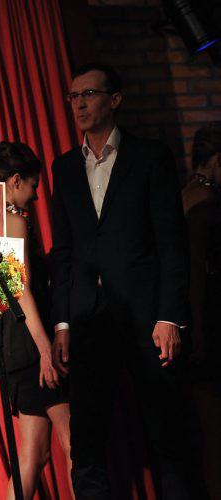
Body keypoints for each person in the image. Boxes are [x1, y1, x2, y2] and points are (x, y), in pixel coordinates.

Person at [50, 63, 205, 498]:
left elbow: (172, 243)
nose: (79, 104)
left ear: (114, 100)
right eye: (73, 96)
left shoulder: (149, 157)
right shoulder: (64, 168)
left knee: (169, 437)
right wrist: (62, 323)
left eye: (89, 94)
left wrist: (170, 316)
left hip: (147, 320)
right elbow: (63, 252)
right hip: (89, 321)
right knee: (88, 444)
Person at [0, 142, 72, 499]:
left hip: (13, 345)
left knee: (34, 455)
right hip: (31, 344)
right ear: (16, 180)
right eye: (34, 186)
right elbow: (18, 289)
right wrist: (45, 350)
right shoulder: (14, 222)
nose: (36, 196)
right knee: (75, 444)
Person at [181, 123, 221, 498]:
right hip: (205, 318)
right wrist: (197, 327)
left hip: (198, 316)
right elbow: (194, 267)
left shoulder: (189, 192)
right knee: (212, 428)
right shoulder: (204, 202)